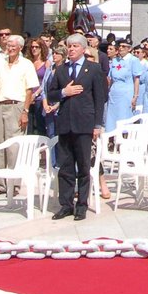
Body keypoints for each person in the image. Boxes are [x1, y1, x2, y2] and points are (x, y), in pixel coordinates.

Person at [47, 32, 106, 221]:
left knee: (83, 166)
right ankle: (66, 204)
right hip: (65, 123)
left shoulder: (93, 69)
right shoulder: (62, 70)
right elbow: (51, 95)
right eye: (69, 46)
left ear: (83, 49)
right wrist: (65, 92)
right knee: (65, 167)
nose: (71, 49)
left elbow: (100, 98)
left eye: (75, 46)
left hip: (84, 123)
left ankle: (81, 205)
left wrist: (97, 124)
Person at [0, 34, 39, 194]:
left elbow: (29, 90)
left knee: (14, 146)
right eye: (8, 45)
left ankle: (14, 184)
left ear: (20, 48)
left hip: (16, 106)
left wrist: (25, 111)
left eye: (13, 46)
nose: (9, 48)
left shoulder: (26, 64)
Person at [105, 39, 141, 131]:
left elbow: (136, 79)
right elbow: (111, 78)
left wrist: (135, 96)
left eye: (124, 46)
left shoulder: (134, 60)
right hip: (114, 93)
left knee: (124, 118)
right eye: (120, 46)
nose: (121, 48)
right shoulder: (115, 60)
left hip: (126, 93)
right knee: (111, 119)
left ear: (129, 49)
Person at [26, 38, 50, 135]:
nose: (34, 49)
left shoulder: (46, 63)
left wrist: (35, 94)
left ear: (41, 48)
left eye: (37, 47)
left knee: (40, 126)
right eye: (32, 47)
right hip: (28, 97)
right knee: (28, 126)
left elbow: (46, 81)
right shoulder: (28, 62)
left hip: (40, 97)